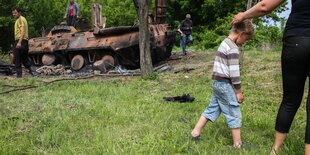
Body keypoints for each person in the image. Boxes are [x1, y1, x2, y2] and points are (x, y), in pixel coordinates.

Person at [232, 0, 310, 154]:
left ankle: (275, 150)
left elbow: (264, 6)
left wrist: (243, 15)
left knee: (290, 99)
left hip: (296, 40)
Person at [191, 20, 254, 148]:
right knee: (233, 111)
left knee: (213, 108)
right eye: (246, 40)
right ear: (241, 34)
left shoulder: (224, 42)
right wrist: (238, 92)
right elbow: (234, 73)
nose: (244, 43)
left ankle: (195, 132)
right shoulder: (233, 48)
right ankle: (237, 144)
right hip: (225, 85)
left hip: (217, 83)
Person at [12, 6, 37, 78]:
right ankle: (34, 73)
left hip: (21, 41)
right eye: (13, 13)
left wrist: (19, 42)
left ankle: (19, 77)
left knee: (17, 58)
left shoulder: (20, 19)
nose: (14, 14)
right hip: (24, 41)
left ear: (19, 12)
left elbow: (22, 31)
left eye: (15, 13)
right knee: (24, 59)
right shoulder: (20, 19)